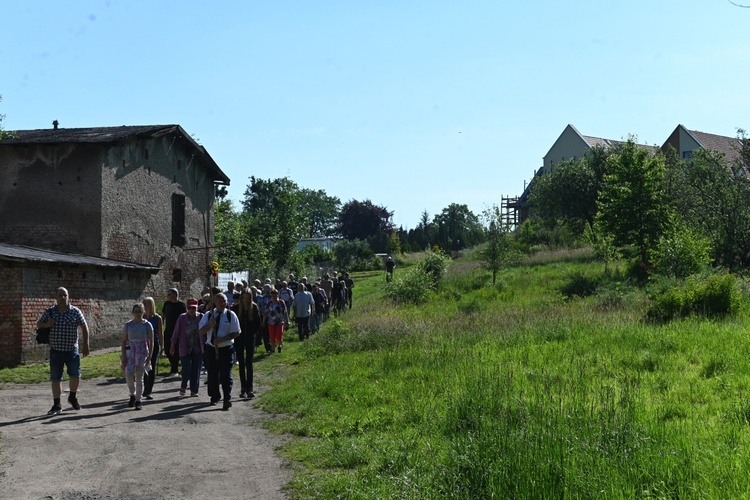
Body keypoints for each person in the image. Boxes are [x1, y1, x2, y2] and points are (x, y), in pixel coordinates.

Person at [37, 287, 90, 415]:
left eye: (65, 295)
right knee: (56, 378)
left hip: (72, 350)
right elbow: (39, 324)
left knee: (75, 375)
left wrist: (86, 344)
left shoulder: (75, 311)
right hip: (56, 350)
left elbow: (84, 326)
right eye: (60, 295)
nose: (63, 298)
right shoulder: (50, 312)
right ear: (56, 297)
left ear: (68, 296)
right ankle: (56, 404)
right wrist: (47, 324)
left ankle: (72, 396)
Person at [199, 293, 240, 410]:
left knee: (226, 374)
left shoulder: (230, 315)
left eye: (224, 301)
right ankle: (215, 396)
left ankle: (227, 398)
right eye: (220, 302)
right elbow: (201, 331)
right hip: (211, 349)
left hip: (226, 349)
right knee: (212, 374)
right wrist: (210, 325)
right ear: (215, 303)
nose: (223, 304)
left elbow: (236, 332)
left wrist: (222, 339)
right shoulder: (208, 315)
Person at [120, 303, 154, 411]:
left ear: (143, 312)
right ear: (132, 312)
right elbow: (124, 340)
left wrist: (150, 357)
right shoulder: (128, 325)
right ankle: (132, 394)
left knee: (140, 377)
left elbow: (151, 342)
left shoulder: (147, 325)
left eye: (140, 311)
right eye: (136, 311)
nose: (138, 313)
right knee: (129, 375)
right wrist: (124, 355)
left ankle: (138, 400)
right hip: (130, 351)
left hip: (142, 352)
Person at [170, 298, 204, 397]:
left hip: (197, 347)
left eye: (193, 308)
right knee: (186, 368)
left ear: (197, 308)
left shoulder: (201, 317)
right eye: (189, 308)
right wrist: (172, 345)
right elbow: (176, 332)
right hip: (185, 347)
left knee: (196, 369)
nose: (191, 310)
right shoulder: (182, 318)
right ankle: (184, 385)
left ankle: (194, 390)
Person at [234, 289, 260, 398]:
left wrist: (255, 335)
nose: (245, 300)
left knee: (249, 362)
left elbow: (257, 323)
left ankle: (250, 388)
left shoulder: (254, 308)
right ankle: (243, 388)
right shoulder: (236, 308)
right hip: (239, 339)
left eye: (247, 298)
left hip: (250, 338)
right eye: (244, 298)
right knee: (241, 363)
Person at [142, 297, 164, 400]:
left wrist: (162, 347)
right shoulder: (141, 317)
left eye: (145, 304)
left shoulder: (157, 318)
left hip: (153, 344)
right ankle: (144, 388)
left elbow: (160, 333)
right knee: (142, 367)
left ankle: (148, 390)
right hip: (142, 345)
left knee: (151, 367)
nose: (143, 306)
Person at [161, 288, 186, 374]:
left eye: (169, 294)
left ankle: (174, 368)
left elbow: (184, 318)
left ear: (174, 295)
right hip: (168, 329)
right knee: (167, 348)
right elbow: (163, 315)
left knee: (176, 349)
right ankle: (173, 364)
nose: (167, 296)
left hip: (178, 330)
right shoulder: (167, 304)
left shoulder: (181, 305)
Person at [262, 288, 289, 353]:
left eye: (275, 295)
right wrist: (263, 322)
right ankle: (273, 348)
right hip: (271, 322)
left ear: (277, 295)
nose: (274, 297)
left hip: (280, 321)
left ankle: (279, 346)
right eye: (273, 295)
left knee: (279, 334)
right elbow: (265, 313)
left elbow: (285, 312)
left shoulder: (281, 302)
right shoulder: (269, 303)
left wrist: (287, 321)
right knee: (272, 336)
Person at [257, 284, 273, 353]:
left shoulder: (273, 297)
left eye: (268, 290)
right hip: (263, 317)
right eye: (266, 290)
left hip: (272, 317)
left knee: (271, 332)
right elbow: (258, 307)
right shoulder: (261, 298)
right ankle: (267, 347)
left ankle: (272, 345)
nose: (267, 292)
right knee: (265, 333)